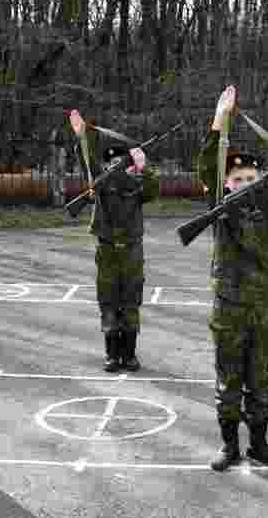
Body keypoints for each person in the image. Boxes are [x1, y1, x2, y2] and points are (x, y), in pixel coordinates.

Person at [196, 85, 268, 471]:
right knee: (228, 381)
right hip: (228, 307)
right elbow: (208, 163)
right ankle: (229, 447)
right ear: (226, 183)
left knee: (259, 379)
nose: (243, 183)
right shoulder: (219, 209)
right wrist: (219, 119)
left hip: (261, 307)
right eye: (237, 178)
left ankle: (260, 444)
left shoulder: (265, 207)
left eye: (249, 178)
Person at [68, 110, 159, 372]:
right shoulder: (102, 184)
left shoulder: (137, 186)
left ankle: (128, 354)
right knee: (108, 301)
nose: (117, 169)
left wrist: (145, 169)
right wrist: (81, 136)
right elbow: (86, 161)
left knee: (131, 301)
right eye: (112, 164)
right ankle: (112, 354)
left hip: (131, 250)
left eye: (123, 165)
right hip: (107, 250)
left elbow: (153, 191)